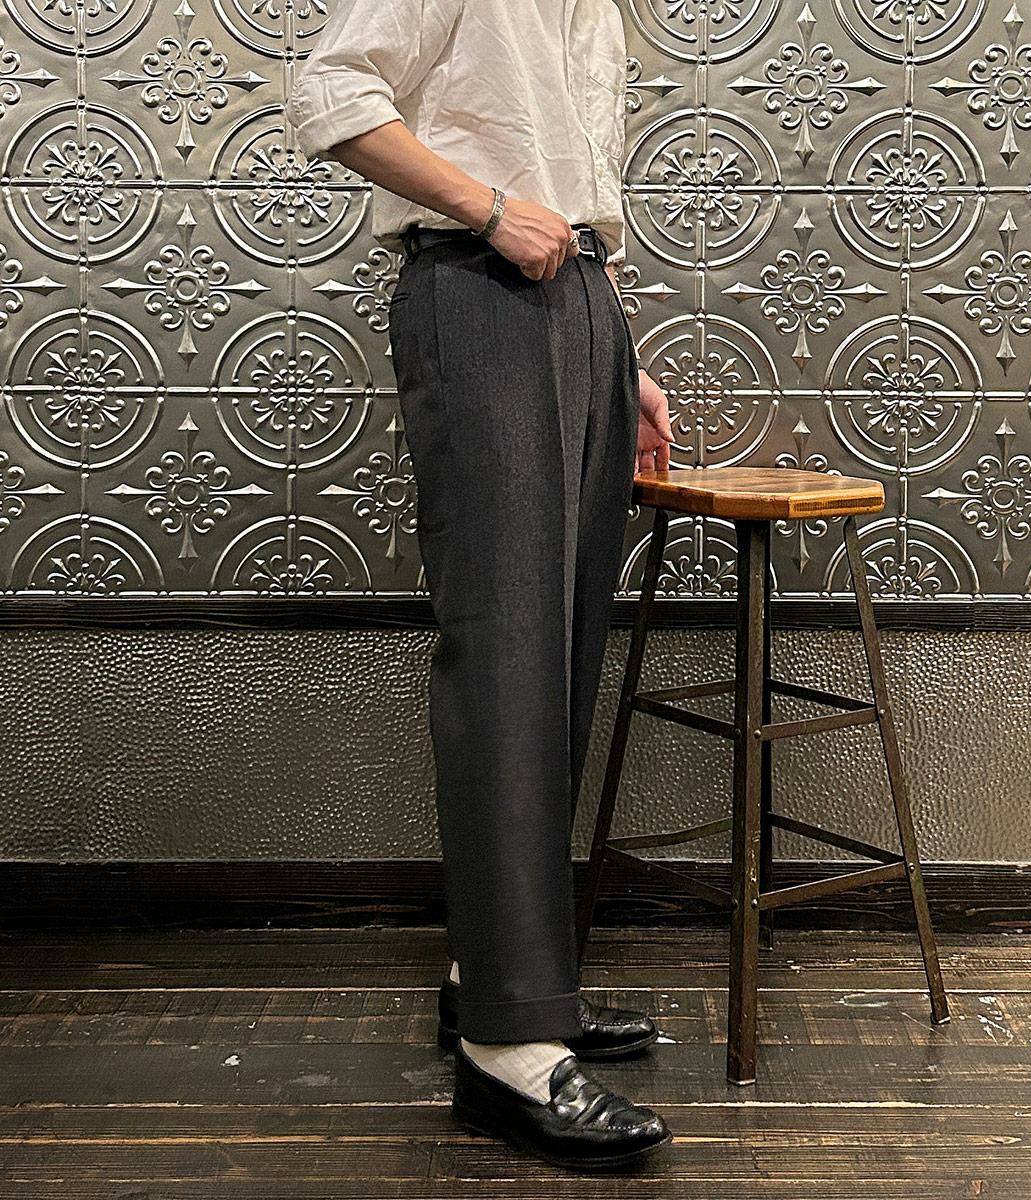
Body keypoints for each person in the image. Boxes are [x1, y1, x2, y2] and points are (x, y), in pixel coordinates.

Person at [284, 0, 676, 1173]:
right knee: (508, 652)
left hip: (580, 302)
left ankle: (502, 981)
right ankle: (510, 1054)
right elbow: (330, 90)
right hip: (481, 291)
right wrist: (490, 211)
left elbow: (561, 169)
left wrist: (620, 350)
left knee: (558, 653)